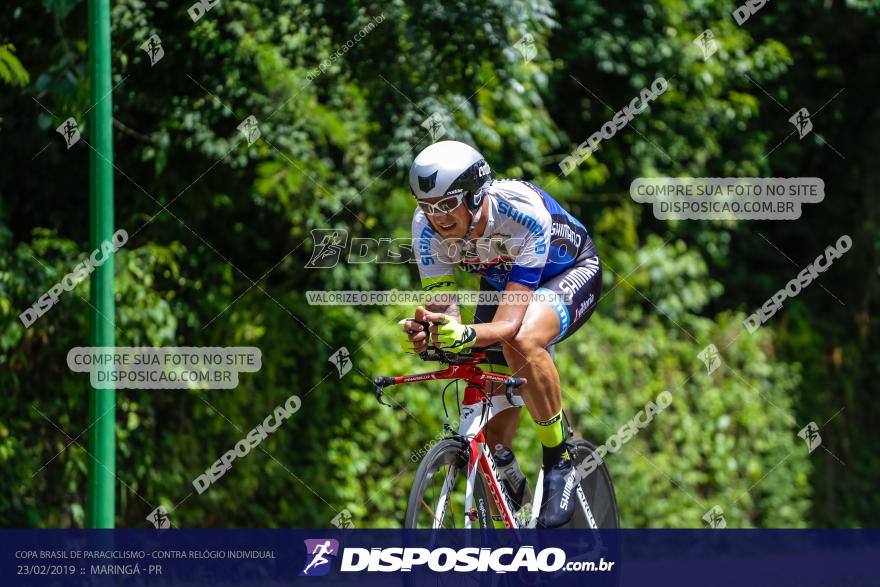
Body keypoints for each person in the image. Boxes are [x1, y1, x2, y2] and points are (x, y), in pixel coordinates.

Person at [398, 140, 602, 528]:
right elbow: (444, 309)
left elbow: (508, 326)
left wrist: (468, 333)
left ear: (475, 195)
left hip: (567, 271)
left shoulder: (519, 213)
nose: (436, 216)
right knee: (492, 440)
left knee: (520, 340)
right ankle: (514, 493)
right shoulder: (425, 226)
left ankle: (558, 458)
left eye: (447, 203)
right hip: (504, 284)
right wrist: (434, 332)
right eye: (426, 204)